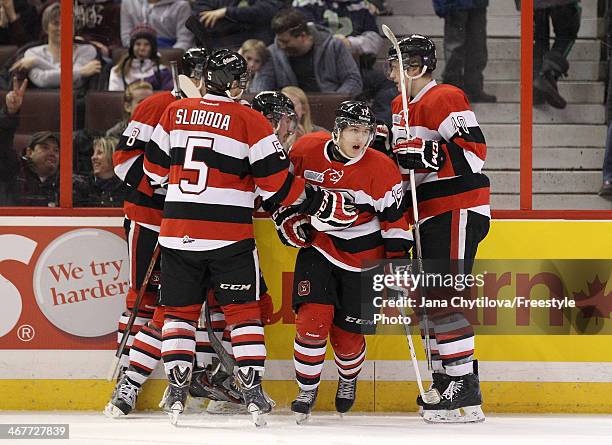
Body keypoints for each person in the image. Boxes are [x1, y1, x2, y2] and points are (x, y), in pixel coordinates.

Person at [142, 48, 358, 426]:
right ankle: (252, 389)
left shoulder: (174, 113)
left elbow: (154, 171)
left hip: (176, 233)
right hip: (228, 236)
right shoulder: (248, 118)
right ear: (235, 83)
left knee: (179, 312)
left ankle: (176, 387)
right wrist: (321, 201)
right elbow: (276, 185)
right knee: (243, 313)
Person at [275, 101, 411, 423]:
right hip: (320, 248)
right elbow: (283, 194)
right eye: (353, 129)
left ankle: (348, 379)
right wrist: (288, 222)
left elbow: (395, 224)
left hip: (364, 258)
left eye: (365, 131)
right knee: (312, 321)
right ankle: (306, 390)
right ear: (336, 131)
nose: (360, 138)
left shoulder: (382, 168)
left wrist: (395, 270)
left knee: (347, 337)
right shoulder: (306, 149)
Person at [387, 34, 489, 423]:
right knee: (430, 300)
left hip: (457, 207)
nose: (391, 72)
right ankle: (453, 381)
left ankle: (464, 384)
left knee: (444, 294)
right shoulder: (399, 104)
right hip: (426, 212)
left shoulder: (445, 96)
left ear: (414, 67)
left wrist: (428, 153)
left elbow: (474, 153)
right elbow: (405, 164)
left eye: (395, 64)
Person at [104, 47, 209, 418]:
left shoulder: (217, 114)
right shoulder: (156, 104)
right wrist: (167, 194)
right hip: (151, 218)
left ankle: (185, 378)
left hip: (192, 225)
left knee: (187, 305)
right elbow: (124, 162)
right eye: (202, 75)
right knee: (143, 297)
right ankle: (127, 382)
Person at [251, 8, 362, 97]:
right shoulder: (272, 53)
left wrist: (335, 100)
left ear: (302, 36)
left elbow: (353, 80)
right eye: (279, 40)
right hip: (289, 112)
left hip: (330, 109)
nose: (281, 46)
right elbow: (260, 86)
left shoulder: (334, 46)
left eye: (285, 41)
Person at [10, 3, 101, 90]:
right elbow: (42, 80)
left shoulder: (88, 50)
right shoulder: (32, 53)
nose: (61, 27)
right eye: (56, 23)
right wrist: (80, 72)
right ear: (46, 28)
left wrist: (37, 62)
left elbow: (77, 83)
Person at [433, 0, 496, 103]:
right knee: (455, 47)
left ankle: (473, 88)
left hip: (476, 5)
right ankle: (452, 88)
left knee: (477, 45)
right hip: (455, 5)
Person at [193, 0, 284, 49]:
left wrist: (227, 12)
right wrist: (248, 20)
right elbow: (203, 22)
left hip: (256, 51)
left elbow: (269, 12)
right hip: (218, 50)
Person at [108, 25, 171, 91]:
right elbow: (116, 95)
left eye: (146, 44)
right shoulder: (118, 71)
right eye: (138, 44)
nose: (142, 48)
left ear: (153, 48)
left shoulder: (163, 71)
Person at [74, 136, 127, 207]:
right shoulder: (84, 186)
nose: (93, 157)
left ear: (112, 156)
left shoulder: (126, 188)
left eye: (99, 153)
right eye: (93, 153)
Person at [120, 0, 193, 50]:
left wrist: (163, 57)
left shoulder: (182, 6)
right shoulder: (128, 3)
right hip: (137, 52)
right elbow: (126, 38)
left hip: (169, 53)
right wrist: (141, 51)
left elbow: (184, 42)